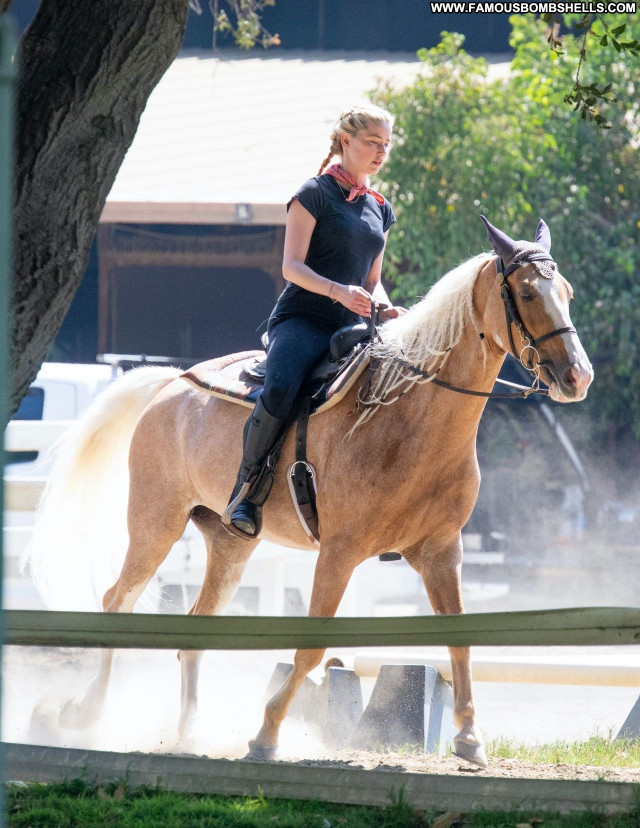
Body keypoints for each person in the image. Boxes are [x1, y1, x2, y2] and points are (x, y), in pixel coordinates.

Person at [224, 103, 406, 538]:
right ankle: (246, 492)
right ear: (346, 141)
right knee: (283, 388)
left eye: (386, 145)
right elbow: (291, 267)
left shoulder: (381, 207)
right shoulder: (313, 194)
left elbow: (373, 279)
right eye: (372, 143)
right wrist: (338, 291)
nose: (381, 152)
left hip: (355, 329)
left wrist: (385, 307)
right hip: (304, 320)